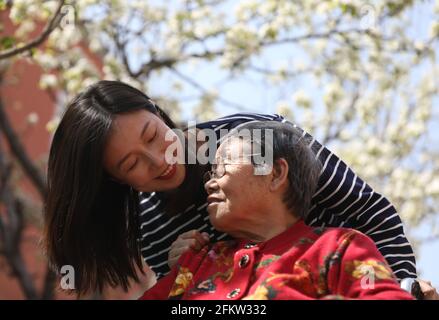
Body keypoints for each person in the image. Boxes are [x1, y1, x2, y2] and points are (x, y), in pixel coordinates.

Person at [44, 80, 417, 296]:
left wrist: (404, 284)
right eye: (132, 164)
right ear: (116, 179)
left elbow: (369, 210)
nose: (159, 160)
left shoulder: (252, 139)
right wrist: (180, 272)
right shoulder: (149, 223)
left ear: (157, 111)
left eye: (153, 136)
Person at [139, 121, 413, 300]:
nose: (210, 182)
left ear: (275, 173)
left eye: (223, 167)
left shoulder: (339, 248)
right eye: (211, 171)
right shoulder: (195, 265)